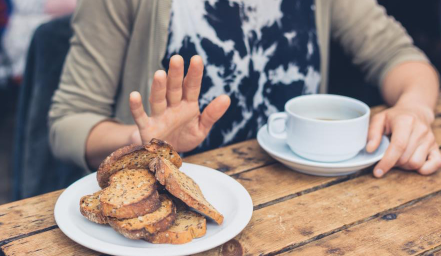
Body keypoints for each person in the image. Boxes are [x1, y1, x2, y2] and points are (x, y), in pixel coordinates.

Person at [49, 0, 441, 179]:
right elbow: (67, 122)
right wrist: (139, 139)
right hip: (168, 209)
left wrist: (416, 108)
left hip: (298, 197)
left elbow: (399, 56)